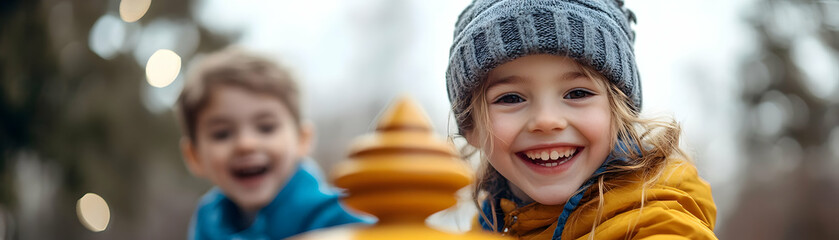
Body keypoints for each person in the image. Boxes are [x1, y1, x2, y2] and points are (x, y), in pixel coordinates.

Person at [445, 0, 717, 239]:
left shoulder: (659, 224)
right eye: (511, 98)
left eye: (577, 93)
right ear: (472, 128)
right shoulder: (484, 229)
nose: (547, 121)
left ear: (619, 113)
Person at [176, 47, 370, 239]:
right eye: (222, 134)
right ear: (194, 156)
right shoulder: (209, 221)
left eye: (266, 128)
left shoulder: (339, 217)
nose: (246, 144)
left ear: (302, 139)